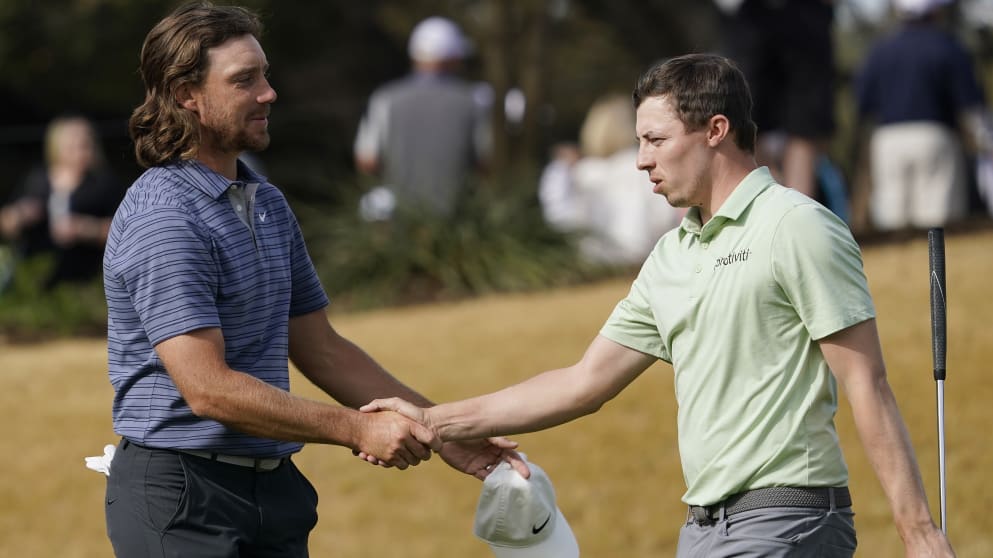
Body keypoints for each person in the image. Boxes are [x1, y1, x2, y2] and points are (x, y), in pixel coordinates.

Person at [361, 54, 955, 557]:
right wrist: (432, 421)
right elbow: (582, 382)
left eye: (655, 140)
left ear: (716, 130)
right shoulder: (672, 254)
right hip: (701, 530)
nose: (641, 159)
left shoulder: (796, 226)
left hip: (788, 520)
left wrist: (918, 531)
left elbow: (866, 383)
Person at [102, 3, 521, 556]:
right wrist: (355, 428)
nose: (269, 93)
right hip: (182, 499)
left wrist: (442, 430)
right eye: (244, 80)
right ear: (186, 94)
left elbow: (320, 348)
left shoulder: (266, 202)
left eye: (265, 75)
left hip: (272, 492)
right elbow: (208, 389)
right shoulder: (165, 216)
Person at [855, 0, 992, 232]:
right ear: (935, 12)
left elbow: (863, 102)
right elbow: (970, 105)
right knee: (936, 223)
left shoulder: (880, 50)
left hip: (888, 140)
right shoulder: (948, 46)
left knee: (892, 223)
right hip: (935, 137)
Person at [353, 16, 492, 218]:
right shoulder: (472, 102)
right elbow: (484, 162)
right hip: (455, 222)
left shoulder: (386, 98)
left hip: (399, 218)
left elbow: (367, 161)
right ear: (453, 58)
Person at [538, 93, 682, 266]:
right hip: (644, 262)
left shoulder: (583, 172)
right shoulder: (643, 167)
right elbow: (664, 216)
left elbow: (560, 216)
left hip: (595, 267)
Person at [715, 0, 836, 201]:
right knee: (742, 116)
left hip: (806, 16)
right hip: (747, 15)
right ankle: (769, 200)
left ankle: (799, 213)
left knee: (805, 126)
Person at [0, 115, 125, 289]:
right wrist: (19, 215)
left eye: (85, 143)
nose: (81, 150)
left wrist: (85, 228)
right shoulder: (37, 180)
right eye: (72, 143)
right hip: (33, 279)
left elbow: (124, 232)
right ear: (56, 145)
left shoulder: (104, 184)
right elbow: (7, 223)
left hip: (84, 282)